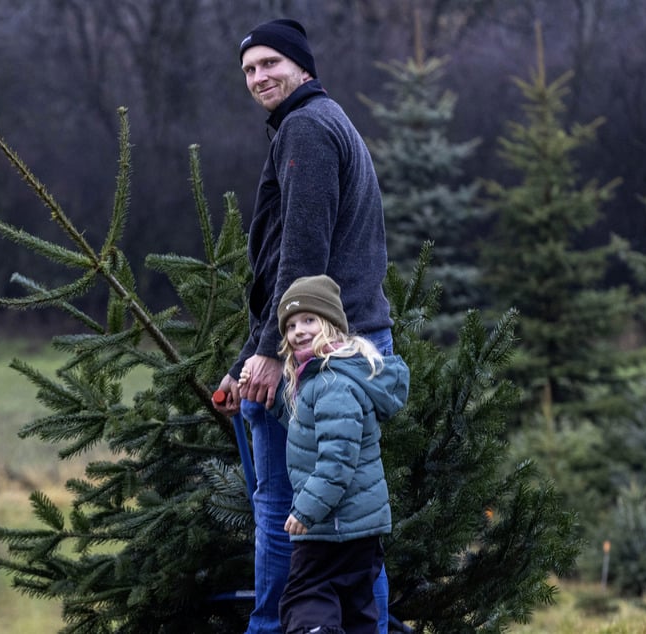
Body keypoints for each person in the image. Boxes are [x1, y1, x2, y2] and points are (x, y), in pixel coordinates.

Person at [212, 18, 395, 634]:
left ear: (302, 67)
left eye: (270, 64)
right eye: (249, 70)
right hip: (337, 342)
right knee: (348, 518)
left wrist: (269, 354)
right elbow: (280, 267)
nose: (259, 77)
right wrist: (246, 359)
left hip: (317, 353)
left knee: (284, 510)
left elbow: (302, 259)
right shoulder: (320, 122)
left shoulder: (307, 128)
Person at [240, 275, 408, 634]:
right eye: (291, 325)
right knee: (356, 609)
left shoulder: (333, 384)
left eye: (309, 320)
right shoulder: (324, 377)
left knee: (305, 597)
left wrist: (306, 511)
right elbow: (308, 430)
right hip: (359, 530)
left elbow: (337, 461)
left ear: (331, 324)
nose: (299, 330)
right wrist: (266, 403)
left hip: (330, 527)